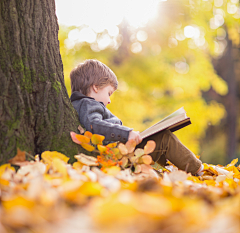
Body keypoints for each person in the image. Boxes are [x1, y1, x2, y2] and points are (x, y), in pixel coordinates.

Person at [70, 59, 204, 176]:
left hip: (121, 155)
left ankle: (167, 171)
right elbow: (95, 125)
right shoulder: (87, 103)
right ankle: (198, 169)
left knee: (158, 142)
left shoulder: (82, 104)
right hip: (118, 157)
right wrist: (126, 133)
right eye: (109, 93)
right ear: (96, 87)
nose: (109, 100)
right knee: (165, 138)